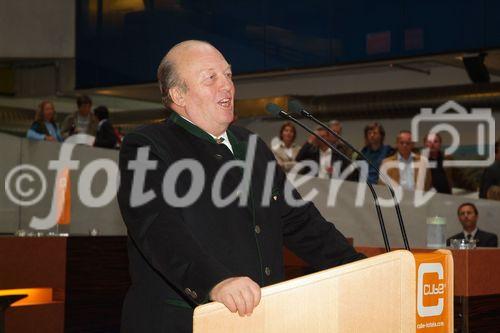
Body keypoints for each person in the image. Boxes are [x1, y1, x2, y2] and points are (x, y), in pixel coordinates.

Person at [117, 40, 365, 333]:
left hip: (258, 320)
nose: (227, 86)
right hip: (181, 322)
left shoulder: (251, 146)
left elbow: (300, 221)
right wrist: (214, 281)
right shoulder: (147, 146)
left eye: (228, 75)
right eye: (211, 78)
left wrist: (359, 269)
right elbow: (157, 229)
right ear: (178, 94)